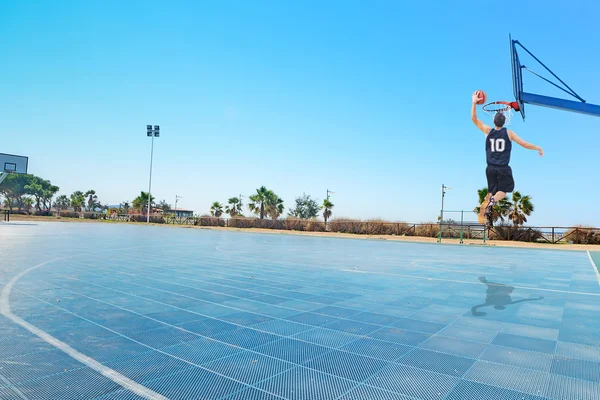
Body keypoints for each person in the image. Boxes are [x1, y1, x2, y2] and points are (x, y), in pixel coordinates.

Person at [471, 92, 544, 224]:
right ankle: (491, 202)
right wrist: (538, 148)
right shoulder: (509, 133)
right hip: (503, 168)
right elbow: (525, 144)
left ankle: (489, 201)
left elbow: (474, 119)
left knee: (492, 191)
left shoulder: (488, 131)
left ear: (494, 121)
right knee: (504, 191)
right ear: (505, 122)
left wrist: (474, 102)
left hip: (490, 168)